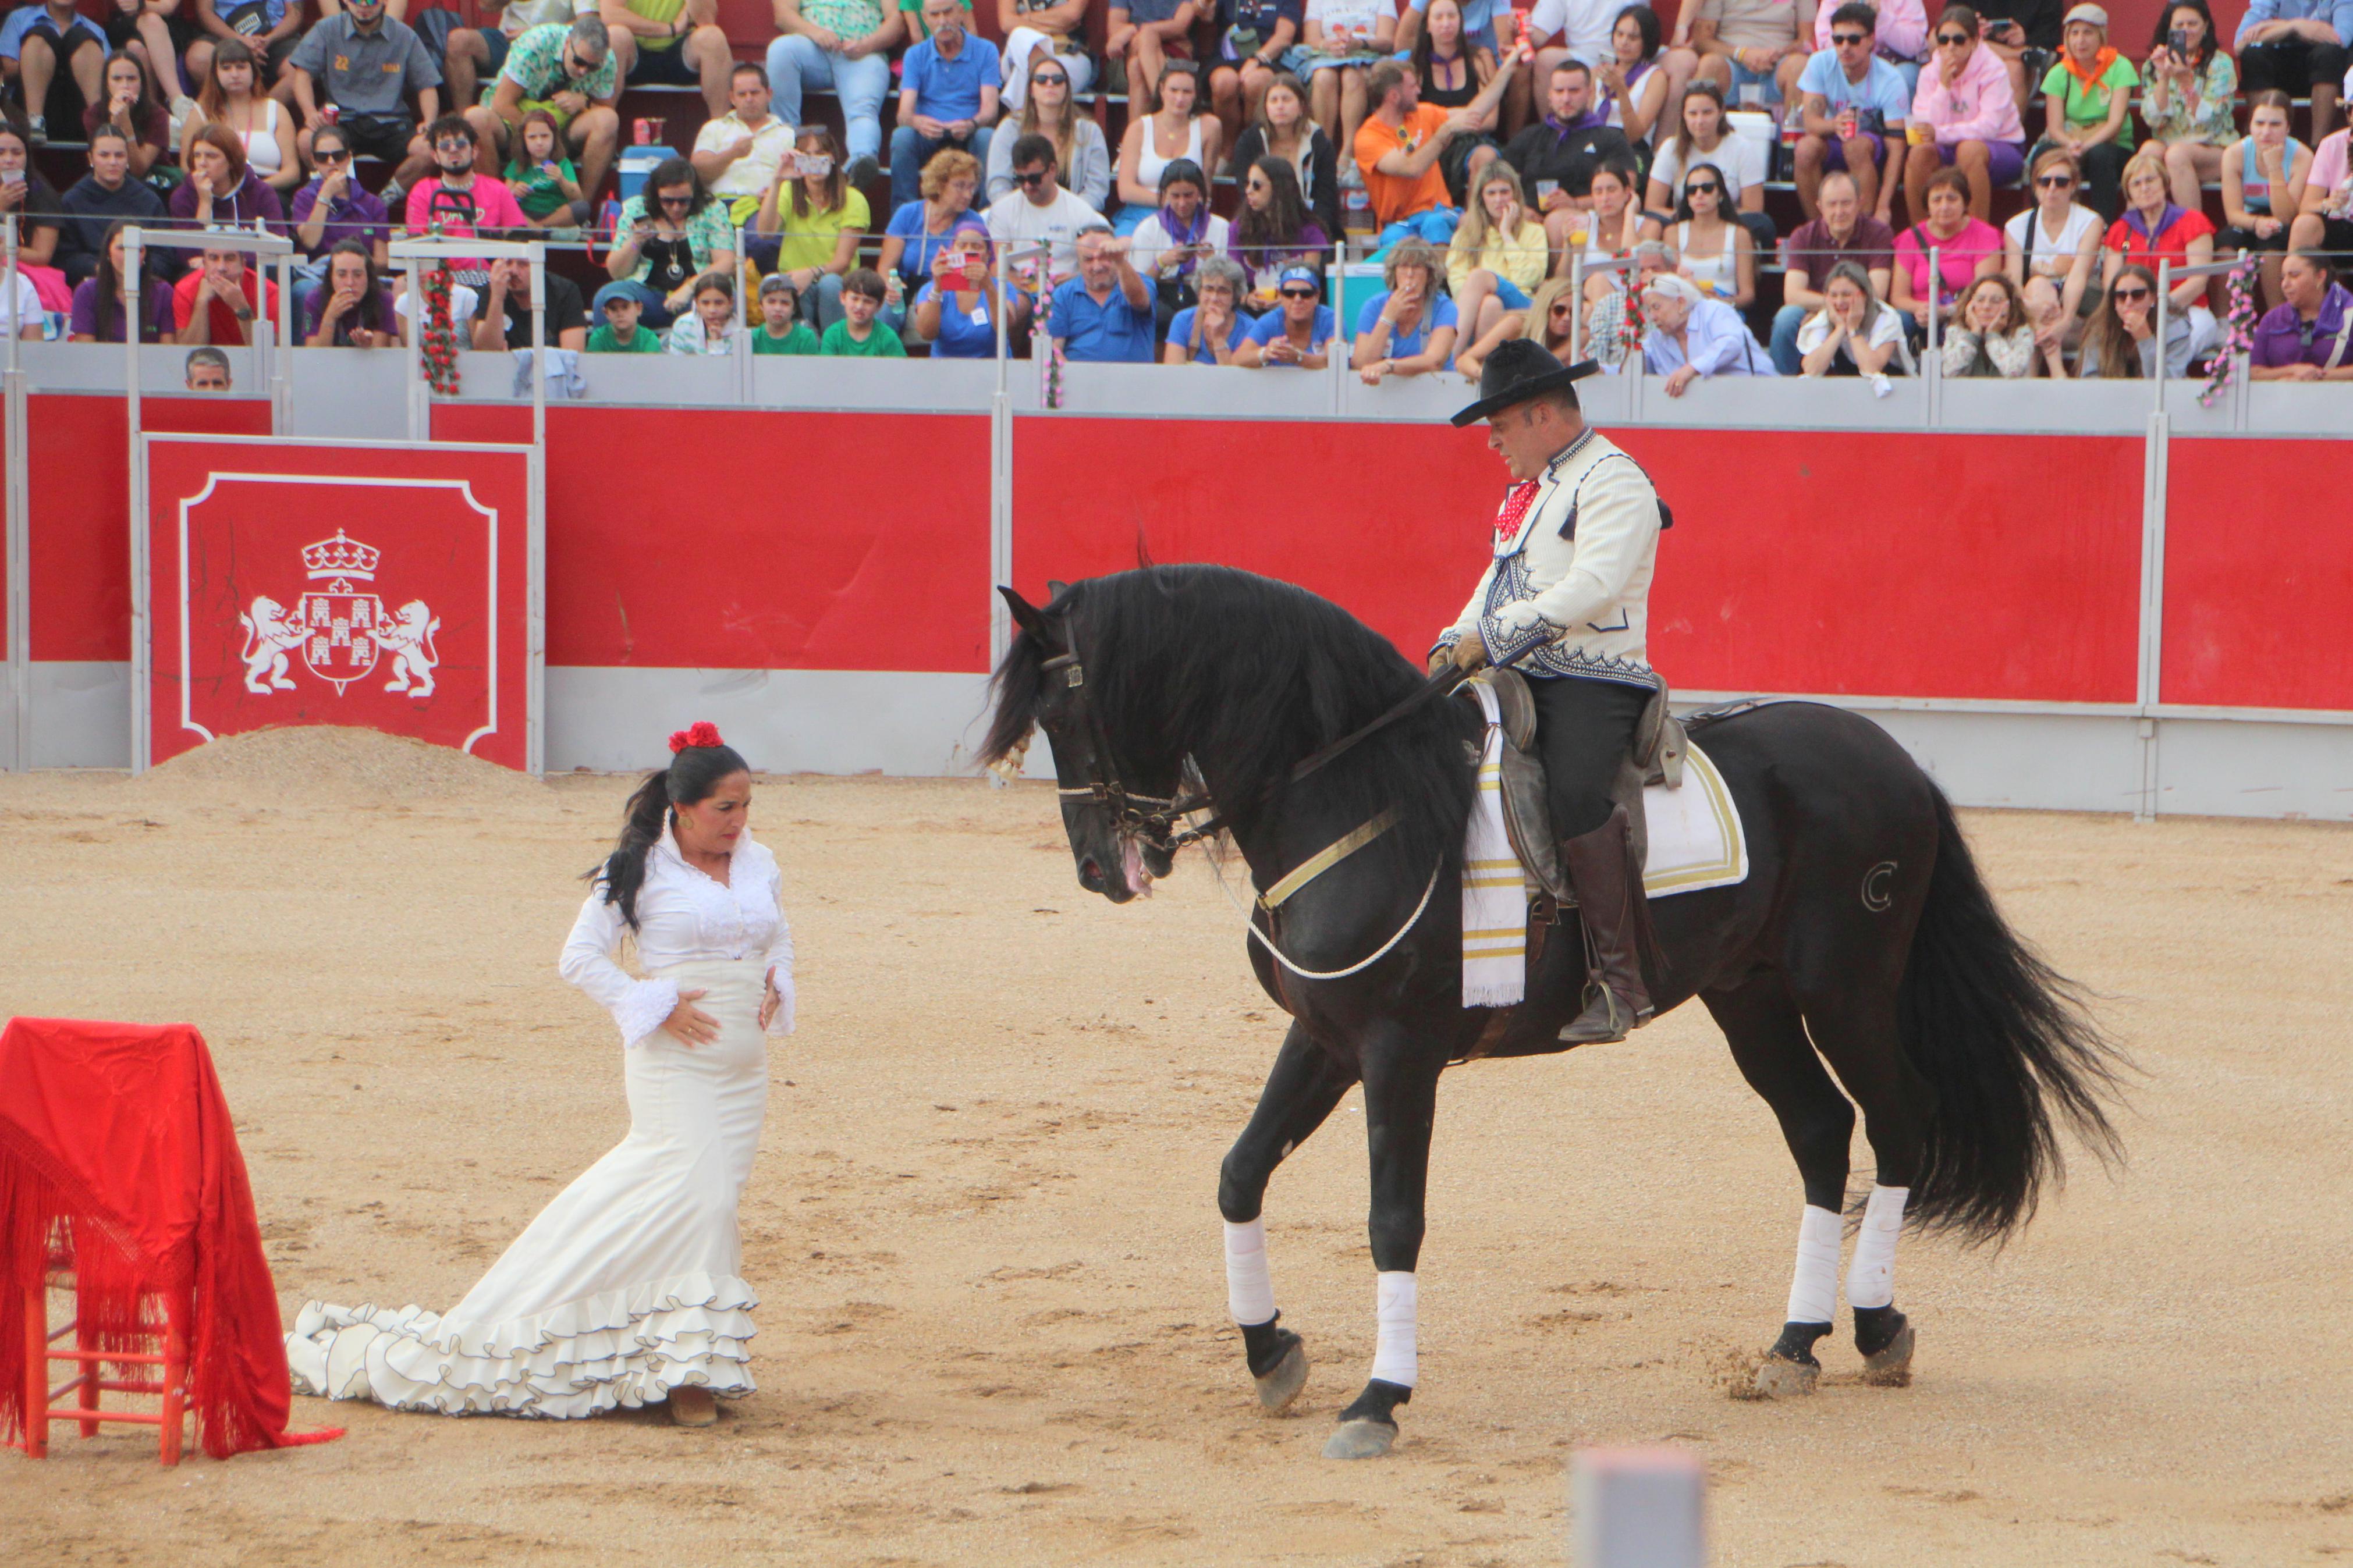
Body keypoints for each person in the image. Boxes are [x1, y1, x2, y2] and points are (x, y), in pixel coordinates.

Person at [285, 728, 793, 1428]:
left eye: (744, 806)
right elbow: (578, 959)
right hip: (674, 1064)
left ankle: (655, 1356)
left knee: (701, 1203)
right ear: (680, 806)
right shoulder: (639, 866)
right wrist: (654, 1001)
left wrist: (776, 978)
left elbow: (776, 932)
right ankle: (688, 1377)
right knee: (701, 1199)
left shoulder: (757, 859)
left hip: (743, 1070)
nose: (738, 822)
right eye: (723, 809)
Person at [1432, 342, 1661, 1044]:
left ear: (1538, 415)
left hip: (1594, 676)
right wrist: (1454, 639)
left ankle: (1623, 982)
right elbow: (1493, 580)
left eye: (1499, 425)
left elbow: (1592, 586)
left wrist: (1490, 637)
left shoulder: (1614, 478)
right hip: (1519, 671)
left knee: (1573, 791)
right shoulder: (1527, 493)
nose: (1493, 441)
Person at [470, 15, 624, 229]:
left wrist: (584, 102)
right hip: (515, 126)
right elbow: (502, 103)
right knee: (475, 118)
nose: (583, 71)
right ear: (569, 42)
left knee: (608, 120)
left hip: (562, 133)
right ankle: (493, 213)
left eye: (592, 67)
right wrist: (537, 134)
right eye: (579, 62)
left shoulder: (607, 60)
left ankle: (580, 213)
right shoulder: (536, 43)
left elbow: (606, 108)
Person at [1355, 50, 1520, 240]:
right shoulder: (1368, 137)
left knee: (1435, 224)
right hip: (1398, 223)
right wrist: (1444, 132)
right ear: (1394, 96)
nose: (1419, 90)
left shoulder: (1423, 113)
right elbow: (1412, 168)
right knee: (1392, 240)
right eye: (1412, 87)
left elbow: (1474, 113)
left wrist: (1506, 71)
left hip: (1438, 211)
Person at [288, 0, 441, 195]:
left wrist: (429, 120)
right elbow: (303, 75)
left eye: (372, 0)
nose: (364, 5)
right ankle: (336, 198)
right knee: (306, 140)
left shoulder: (404, 35)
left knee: (429, 149)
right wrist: (309, 113)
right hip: (341, 121)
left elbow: (427, 85)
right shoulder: (327, 29)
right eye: (356, 0)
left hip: (392, 123)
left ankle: (383, 200)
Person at [1792, 2, 1913, 225]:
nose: (1845, 47)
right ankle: (1820, 229)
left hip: (1870, 146)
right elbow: (1811, 123)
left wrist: (1884, 207)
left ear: (1870, 41)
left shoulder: (1891, 78)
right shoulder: (1820, 63)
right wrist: (1834, 125)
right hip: (1833, 138)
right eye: (1839, 40)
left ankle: (1863, 228)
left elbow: (1897, 148)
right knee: (1805, 148)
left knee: (1855, 146)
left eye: (1854, 40)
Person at [1903, 4, 2024, 224]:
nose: (1950, 47)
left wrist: (1938, 134)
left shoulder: (1993, 69)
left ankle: (1976, 240)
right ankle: (1922, 240)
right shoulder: (1930, 72)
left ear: (1975, 41)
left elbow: (1988, 127)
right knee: (1919, 153)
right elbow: (1922, 126)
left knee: (1969, 149)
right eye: (1944, 40)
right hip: (1948, 146)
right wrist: (1944, 87)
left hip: (2000, 145)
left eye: (1959, 40)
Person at [1502, 58, 1636, 254]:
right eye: (1559, 91)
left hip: (1582, 218)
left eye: (1574, 91)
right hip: (1529, 216)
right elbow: (1495, 181)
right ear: (1549, 95)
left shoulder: (1609, 138)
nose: (1566, 99)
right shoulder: (1529, 136)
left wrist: (1576, 203)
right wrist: (1520, 209)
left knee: (1558, 221)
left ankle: (1559, 284)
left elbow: (1629, 188)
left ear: (1589, 93)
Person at [1773, 168, 1895, 372]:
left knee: (1899, 319)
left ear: (1860, 203)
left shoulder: (1879, 233)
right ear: (1820, 207)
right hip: (1818, 310)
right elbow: (1792, 295)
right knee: (1787, 318)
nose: (1839, 212)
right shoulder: (1803, 236)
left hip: (1864, 311)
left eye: (1846, 203)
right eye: (1832, 204)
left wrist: (1840, 308)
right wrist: (1831, 307)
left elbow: (1877, 293)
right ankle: (1782, 387)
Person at [890, 0, 1000, 214]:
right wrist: (917, 122)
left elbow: (991, 111)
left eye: (948, 12)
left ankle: (989, 216)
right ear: (925, 19)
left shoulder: (986, 50)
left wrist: (972, 124)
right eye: (935, 15)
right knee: (902, 137)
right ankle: (905, 217)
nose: (943, 21)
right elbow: (903, 114)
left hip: (969, 132)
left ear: (961, 12)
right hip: (929, 134)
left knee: (987, 137)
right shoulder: (915, 55)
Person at [768, 0, 900, 175]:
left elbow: (896, 21)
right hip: (812, 49)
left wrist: (866, 45)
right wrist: (816, 33)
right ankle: (787, 149)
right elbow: (783, 15)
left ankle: (861, 162)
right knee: (781, 50)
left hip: (863, 54)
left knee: (863, 107)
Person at [757, 127, 869, 329]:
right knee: (787, 287)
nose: (814, 161)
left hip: (837, 283)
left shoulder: (854, 199)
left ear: (833, 158)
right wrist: (777, 180)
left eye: (820, 154)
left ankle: (834, 350)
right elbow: (765, 233)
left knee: (829, 284)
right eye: (807, 156)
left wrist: (811, 273)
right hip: (794, 281)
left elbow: (842, 262)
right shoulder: (788, 190)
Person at [2102, 145, 2214, 348]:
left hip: (2186, 310)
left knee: (2181, 341)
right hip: (2133, 311)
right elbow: (2111, 284)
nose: (2144, 188)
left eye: (2150, 180)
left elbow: (2198, 282)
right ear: (2129, 194)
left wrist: (2156, 307)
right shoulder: (2120, 230)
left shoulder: (2192, 222)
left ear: (2165, 183)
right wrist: (2137, 310)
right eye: (2136, 184)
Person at [604, 155, 737, 327]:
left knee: (724, 301)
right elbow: (616, 272)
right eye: (667, 201)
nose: (676, 207)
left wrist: (689, 289)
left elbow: (726, 262)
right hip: (647, 294)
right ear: (655, 195)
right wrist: (635, 241)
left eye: (684, 201)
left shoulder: (712, 209)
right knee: (607, 296)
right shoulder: (636, 208)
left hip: (699, 295)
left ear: (694, 195)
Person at [2035, 3, 2136, 216]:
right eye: (2075, 33)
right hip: (2071, 142)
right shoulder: (2058, 73)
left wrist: (2086, 146)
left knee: (2100, 156)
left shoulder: (2121, 67)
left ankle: (2104, 228)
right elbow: (2054, 127)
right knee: (2046, 155)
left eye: (2088, 33)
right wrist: (2070, 144)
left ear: (2101, 35)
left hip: (2112, 145)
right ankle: (2044, 223)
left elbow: (2115, 123)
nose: (2080, 40)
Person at [1645, 80, 1772, 247]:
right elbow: (1653, 206)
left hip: (1728, 223)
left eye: (1707, 113)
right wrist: (1692, 219)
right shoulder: (1670, 148)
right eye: (1693, 114)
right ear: (1683, 115)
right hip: (1683, 222)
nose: (1700, 121)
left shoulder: (1742, 148)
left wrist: (1712, 219)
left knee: (1761, 224)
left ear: (1720, 113)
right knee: (1649, 223)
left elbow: (1753, 209)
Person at [406, 114, 530, 280]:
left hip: (489, 279)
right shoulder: (423, 190)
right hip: (439, 280)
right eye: (444, 145)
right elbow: (417, 243)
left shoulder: (498, 190)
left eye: (461, 144)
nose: (453, 149)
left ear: (475, 151)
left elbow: (518, 241)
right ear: (435, 156)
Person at [2141, 0, 2238, 211]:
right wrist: (2164, 78)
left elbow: (2212, 122)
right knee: (2148, 152)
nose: (2186, 30)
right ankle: (2137, 235)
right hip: (2170, 145)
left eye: (2193, 24)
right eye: (2179, 25)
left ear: (2205, 27)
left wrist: (2186, 82)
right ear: (2169, 30)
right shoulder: (2153, 65)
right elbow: (2153, 120)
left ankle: (2194, 234)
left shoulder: (2220, 64)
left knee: (2177, 154)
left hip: (2214, 146)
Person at [438, 0, 599, 126]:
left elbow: (588, 24)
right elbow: (486, 5)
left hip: (554, 50)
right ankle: (464, 126)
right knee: (458, 41)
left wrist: (536, 32)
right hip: (508, 42)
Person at [985, 130, 1105, 298]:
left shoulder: (1080, 211)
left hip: (1067, 291)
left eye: (1034, 179)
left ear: (1053, 170)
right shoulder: (1003, 209)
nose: (1027, 186)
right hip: (1021, 291)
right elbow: (998, 264)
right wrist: (1014, 280)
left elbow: (1096, 264)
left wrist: (1076, 278)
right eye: (1020, 179)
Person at [2217, 93, 2309, 308]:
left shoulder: (2302, 156)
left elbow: (2286, 216)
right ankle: (2224, 321)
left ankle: (2277, 318)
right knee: (2225, 245)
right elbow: (2232, 214)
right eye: (2260, 123)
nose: (2266, 132)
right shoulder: (2234, 154)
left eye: (2275, 124)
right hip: (2249, 218)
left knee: (2270, 249)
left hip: (2282, 218)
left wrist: (2275, 168)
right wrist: (2256, 223)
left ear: (2288, 128)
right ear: (2250, 124)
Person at [985, 54, 1112, 208]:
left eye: (1058, 80)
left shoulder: (1089, 131)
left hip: (1073, 219)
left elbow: (1096, 190)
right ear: (1031, 89)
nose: (1050, 84)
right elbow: (998, 185)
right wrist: (1018, 214)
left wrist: (1071, 216)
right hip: (1019, 218)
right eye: (1041, 79)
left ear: (1067, 89)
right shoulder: (1010, 128)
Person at [2002, 144, 2103, 335]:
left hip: (2079, 308)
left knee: (2038, 295)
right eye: (2045, 182)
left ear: (2073, 186)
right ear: (2035, 185)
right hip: (2033, 307)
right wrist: (2032, 310)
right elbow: (2015, 279)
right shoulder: (2016, 226)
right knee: (2037, 287)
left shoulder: (2090, 222)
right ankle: (2056, 366)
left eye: (2062, 182)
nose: (2052, 188)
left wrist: (2065, 320)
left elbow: (2078, 276)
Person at [1231, 75, 1341, 247]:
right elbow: (1246, 191)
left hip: (1310, 226)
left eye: (1287, 99)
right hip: (1262, 225)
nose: (1280, 106)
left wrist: (1311, 232)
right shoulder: (1249, 142)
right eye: (1273, 100)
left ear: (1302, 107)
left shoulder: (1320, 143)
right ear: (1265, 108)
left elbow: (1326, 199)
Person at [1446, 160, 1547, 347]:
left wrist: (1507, 234)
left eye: (1504, 192)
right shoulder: (1466, 235)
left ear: (1515, 194)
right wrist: (1483, 297)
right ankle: (1479, 366)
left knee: (1479, 277)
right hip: (1478, 307)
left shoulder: (1534, 231)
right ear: (1481, 198)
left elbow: (1530, 279)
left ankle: (1452, 356)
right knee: (1490, 304)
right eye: (1491, 193)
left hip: (1523, 303)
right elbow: (1457, 283)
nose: (1498, 200)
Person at [1409, 0, 1503, 201]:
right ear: (1427, 25)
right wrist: (1452, 126)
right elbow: (1413, 120)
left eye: (1452, 16)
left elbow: (1491, 120)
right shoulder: (1416, 65)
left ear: (1461, 21)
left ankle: (1474, 222)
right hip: (1432, 141)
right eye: (1439, 17)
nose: (1446, 24)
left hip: (1474, 139)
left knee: (1485, 155)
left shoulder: (1481, 58)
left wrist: (1448, 126)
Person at [1112, 63, 1222, 235]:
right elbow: (1125, 190)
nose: (1180, 98)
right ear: (1162, 90)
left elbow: (1205, 188)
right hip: (1139, 214)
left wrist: (1181, 205)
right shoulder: (1139, 128)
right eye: (1174, 90)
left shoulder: (1210, 127)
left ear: (1195, 95)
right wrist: (1169, 201)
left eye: (1187, 92)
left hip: (1187, 215)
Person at [1890, 163, 2000, 332]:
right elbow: (1899, 297)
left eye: (1952, 199)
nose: (1944, 206)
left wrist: (1946, 311)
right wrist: (1924, 310)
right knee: (1897, 320)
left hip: (1966, 313)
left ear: (1965, 203)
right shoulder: (1909, 238)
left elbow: (1984, 292)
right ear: (1927, 206)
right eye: (1937, 200)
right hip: (1920, 315)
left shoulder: (1985, 235)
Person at [56, 125, 165, 287]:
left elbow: (164, 257)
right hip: (91, 282)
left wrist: (136, 267)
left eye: (119, 155)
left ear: (128, 158)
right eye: (104, 155)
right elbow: (65, 258)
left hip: (141, 281)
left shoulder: (149, 200)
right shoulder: (72, 200)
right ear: (91, 158)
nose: (113, 162)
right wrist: (100, 269)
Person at [186, 38, 298, 194]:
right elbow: (187, 168)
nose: (235, 74)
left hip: (266, 191)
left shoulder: (276, 110)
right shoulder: (200, 113)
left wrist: (256, 188)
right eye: (226, 68)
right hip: (216, 192)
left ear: (254, 71)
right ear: (215, 74)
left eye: (241, 67)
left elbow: (292, 172)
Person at [691, 63, 795, 226]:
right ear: (732, 98)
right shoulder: (715, 128)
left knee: (762, 239)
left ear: (769, 94)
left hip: (763, 206)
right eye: (742, 94)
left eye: (755, 93)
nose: (749, 99)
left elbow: (798, 179)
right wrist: (733, 154)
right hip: (718, 206)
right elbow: (698, 171)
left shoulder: (788, 134)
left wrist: (775, 193)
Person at [1131, 158, 1227, 332]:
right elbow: (1138, 287)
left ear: (1200, 193)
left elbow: (1230, 282)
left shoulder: (1220, 227)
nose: (1182, 203)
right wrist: (1163, 262)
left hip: (1205, 294)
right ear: (1165, 194)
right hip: (1163, 293)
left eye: (1189, 195)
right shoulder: (1149, 228)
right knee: (1161, 317)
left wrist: (1212, 262)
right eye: (1175, 196)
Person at [2233, 0, 2347, 144]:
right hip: (2283, 67)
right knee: (2253, 54)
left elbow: (2340, 38)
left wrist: (2276, 26)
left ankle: (2317, 146)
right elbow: (2240, 44)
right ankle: (2261, 143)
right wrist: (2294, 26)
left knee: (2329, 53)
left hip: (2328, 71)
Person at [1226, 153, 1329, 311]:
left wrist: (1285, 299)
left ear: (1279, 187)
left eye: (1257, 186)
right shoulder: (1238, 228)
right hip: (1250, 309)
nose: (1248, 191)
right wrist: (1247, 299)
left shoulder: (1310, 231)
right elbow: (1231, 282)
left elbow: (1308, 280)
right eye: (1247, 184)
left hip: (1296, 306)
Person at [602, 0, 735, 121]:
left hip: (680, 53)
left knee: (713, 37)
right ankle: (606, 127)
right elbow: (609, 14)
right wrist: (669, 29)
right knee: (615, 36)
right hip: (633, 53)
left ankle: (721, 131)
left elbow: (706, 20)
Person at [1, 0, 110, 144]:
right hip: (29, 104)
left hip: (78, 107)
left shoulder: (95, 30)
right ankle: (35, 123)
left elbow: (110, 75)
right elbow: (8, 68)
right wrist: (47, 61)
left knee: (83, 38)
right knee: (40, 35)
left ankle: (98, 126)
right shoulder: (19, 19)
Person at [1295, 0, 1400, 150]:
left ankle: (1349, 149)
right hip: (1327, 56)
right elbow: (1311, 40)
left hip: (1367, 55)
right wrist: (1329, 45)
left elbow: (1387, 41)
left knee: (1352, 76)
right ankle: (1324, 148)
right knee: (1323, 77)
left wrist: (1361, 43)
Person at [1641, 269, 1773, 387]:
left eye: (1656, 307)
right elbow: (1640, 359)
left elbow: (1732, 342)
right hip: (1698, 405)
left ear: (1681, 303)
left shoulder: (1713, 311)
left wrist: (1692, 368)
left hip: (1757, 391)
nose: (1652, 316)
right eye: (1649, 310)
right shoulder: (1656, 335)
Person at [1207, 0, 1305, 158]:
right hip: (1229, 56)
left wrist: (1257, 60)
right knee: (1224, 83)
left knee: (1256, 82)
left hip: (1270, 58)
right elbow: (1205, 14)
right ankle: (1227, 150)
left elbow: (1284, 37)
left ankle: (1251, 146)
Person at [1652, 158, 1756, 306]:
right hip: (1685, 308)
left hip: (1724, 309)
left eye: (1707, 188)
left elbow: (1748, 294)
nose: (1699, 195)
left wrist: (1724, 302)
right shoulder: (1673, 233)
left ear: (1720, 194)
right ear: (1687, 198)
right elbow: (1670, 283)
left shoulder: (1739, 235)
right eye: (1692, 191)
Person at [1353, 234, 1459, 379]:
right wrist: (1388, 317)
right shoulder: (1374, 306)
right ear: (1394, 272)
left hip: (1434, 389)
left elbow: (1435, 361)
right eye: (1404, 267)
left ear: (1429, 274)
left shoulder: (1444, 307)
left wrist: (1390, 366)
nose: (1410, 274)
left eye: (1417, 267)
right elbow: (1361, 363)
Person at [881, 147, 984, 295]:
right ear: (940, 184)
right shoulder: (907, 213)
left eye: (972, 187)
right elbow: (885, 268)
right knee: (885, 308)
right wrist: (891, 288)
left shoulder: (974, 222)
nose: (968, 195)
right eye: (960, 186)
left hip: (951, 294)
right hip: (906, 290)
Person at [1048, 225, 1155, 361]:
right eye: (1088, 259)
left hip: (1132, 380)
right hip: (1079, 379)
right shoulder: (1063, 294)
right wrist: (1074, 378)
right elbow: (1054, 349)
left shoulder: (1142, 282)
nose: (1097, 267)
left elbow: (1140, 301)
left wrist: (1120, 261)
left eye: (1105, 257)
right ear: (1079, 262)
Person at [1685, 0, 1812, 112]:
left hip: (1779, 63)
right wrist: (1742, 54)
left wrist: (1778, 53)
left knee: (1799, 66)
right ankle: (1698, 137)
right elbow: (1702, 40)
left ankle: (1792, 136)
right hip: (1731, 63)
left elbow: (1806, 38)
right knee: (1710, 64)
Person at [2077, 259, 2197, 374]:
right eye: (2121, 296)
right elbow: (2091, 378)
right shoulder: (2101, 328)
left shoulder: (2175, 331)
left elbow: (2168, 384)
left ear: (2152, 298)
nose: (2129, 302)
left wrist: (2145, 340)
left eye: (2138, 295)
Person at [1797, 257, 1914, 374]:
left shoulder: (1886, 318)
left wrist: (1853, 329)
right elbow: (1811, 369)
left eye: (1846, 295)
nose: (1839, 302)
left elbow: (1871, 369)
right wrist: (1840, 329)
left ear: (1864, 295)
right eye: (1833, 295)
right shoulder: (1825, 318)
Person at [2249, 248, 2353, 378]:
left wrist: (2318, 376)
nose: (2285, 284)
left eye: (2295, 275)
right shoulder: (2272, 319)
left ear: (2320, 276)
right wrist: (2292, 371)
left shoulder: (2349, 314)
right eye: (2283, 277)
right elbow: (2254, 372)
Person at [1453, 271, 1577, 378]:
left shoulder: (1579, 335)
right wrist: (1485, 376)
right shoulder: (1517, 324)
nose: (1567, 318)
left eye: (1574, 312)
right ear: (1545, 308)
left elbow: (1546, 362)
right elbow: (1464, 360)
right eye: (1559, 310)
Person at [69, 220, 176, 342]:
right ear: (108, 252)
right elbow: (86, 351)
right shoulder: (87, 292)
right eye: (121, 248)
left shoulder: (163, 292)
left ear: (146, 255)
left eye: (138, 250)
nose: (130, 255)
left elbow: (168, 349)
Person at [171, 122, 286, 231]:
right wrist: (205, 204)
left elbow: (279, 242)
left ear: (231, 161)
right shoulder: (183, 197)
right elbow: (188, 250)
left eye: (212, 156)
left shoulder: (262, 193)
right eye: (197, 156)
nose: (202, 163)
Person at [910, 221, 1000, 355]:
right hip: (945, 369)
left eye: (976, 246)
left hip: (990, 369)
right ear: (951, 251)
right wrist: (938, 287)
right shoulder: (930, 288)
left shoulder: (1002, 286)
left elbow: (1005, 328)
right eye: (962, 246)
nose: (969, 250)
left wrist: (988, 287)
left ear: (988, 255)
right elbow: (926, 333)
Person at [1939, 269, 2050, 373]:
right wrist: (1973, 335)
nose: (1986, 306)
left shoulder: (2022, 333)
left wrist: (1993, 335)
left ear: (2009, 305)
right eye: (1980, 300)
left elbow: (2014, 370)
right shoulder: (1956, 331)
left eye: (1996, 301)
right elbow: (1949, 370)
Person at [996, 0, 1094, 117]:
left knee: (1024, 74)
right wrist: (1047, 30)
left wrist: (1025, 19)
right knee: (1019, 34)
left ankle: (1021, 120)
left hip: (1069, 57)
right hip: (1018, 57)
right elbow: (1007, 22)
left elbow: (1072, 14)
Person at [470, 254, 590, 349]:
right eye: (508, 263)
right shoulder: (493, 290)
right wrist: (497, 298)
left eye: (523, 264)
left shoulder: (565, 291)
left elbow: (573, 353)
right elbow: (485, 351)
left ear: (539, 266)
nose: (513, 271)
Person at [81, 49, 169, 177]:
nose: (125, 86)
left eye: (132, 79)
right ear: (107, 84)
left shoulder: (158, 115)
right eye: (117, 79)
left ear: (141, 83)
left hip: (152, 178)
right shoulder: (93, 114)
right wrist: (114, 124)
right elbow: (106, 163)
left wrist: (125, 122)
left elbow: (138, 170)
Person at [173, 242, 281, 346]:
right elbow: (187, 353)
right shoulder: (185, 289)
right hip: (206, 362)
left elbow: (270, 354)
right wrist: (201, 302)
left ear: (243, 264)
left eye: (230, 259)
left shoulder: (268, 292)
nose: (221, 268)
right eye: (214, 258)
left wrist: (241, 307)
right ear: (205, 264)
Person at [1589, 5, 1668, 143]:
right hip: (1596, 144)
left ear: (1647, 41)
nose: (1624, 42)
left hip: (1632, 149)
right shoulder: (1597, 73)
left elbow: (1635, 136)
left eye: (1633, 38)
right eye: (1620, 34)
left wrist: (1621, 91)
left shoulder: (1655, 77)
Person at [301, 239, 397, 346]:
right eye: (342, 275)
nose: (350, 282)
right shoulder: (314, 299)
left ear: (368, 276)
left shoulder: (384, 299)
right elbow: (314, 357)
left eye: (358, 275)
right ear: (331, 277)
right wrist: (330, 316)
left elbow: (381, 355)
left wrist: (368, 347)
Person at [1108, 0, 1198, 113]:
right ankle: (1165, 104)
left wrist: (1134, 30)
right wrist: (1145, 33)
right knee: (1144, 41)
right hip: (1128, 62)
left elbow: (1180, 26)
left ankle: (1140, 128)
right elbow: (1115, 28)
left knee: (1137, 66)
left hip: (1175, 59)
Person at [1236, 262, 1336, 364]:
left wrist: (1298, 358)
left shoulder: (1330, 319)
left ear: (1317, 296)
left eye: (1306, 294)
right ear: (1281, 296)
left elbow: (1336, 362)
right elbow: (1238, 359)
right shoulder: (1271, 320)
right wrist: (1265, 353)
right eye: (1289, 294)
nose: (1297, 299)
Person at [1163, 251, 1255, 362]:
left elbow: (1233, 378)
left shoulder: (1249, 329)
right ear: (1199, 292)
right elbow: (1173, 373)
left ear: (1234, 297)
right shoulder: (1183, 320)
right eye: (1208, 289)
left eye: (1223, 291)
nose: (1214, 298)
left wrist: (1218, 338)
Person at [101, 0, 197, 104]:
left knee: (137, 47)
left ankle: (162, 104)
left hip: (166, 24)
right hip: (122, 23)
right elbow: (127, 7)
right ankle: (175, 98)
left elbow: (168, 7)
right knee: (151, 21)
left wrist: (141, 4)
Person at [502, 108, 586, 227]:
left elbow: (577, 197)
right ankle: (541, 231)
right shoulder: (517, 164)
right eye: (532, 137)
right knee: (508, 212)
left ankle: (539, 228)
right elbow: (505, 198)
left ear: (554, 137)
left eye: (545, 136)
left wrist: (561, 180)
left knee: (582, 208)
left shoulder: (563, 163)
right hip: (526, 213)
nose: (539, 142)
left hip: (555, 214)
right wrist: (515, 192)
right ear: (523, 140)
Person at [2287, 122, 2353, 257]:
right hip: (2342, 224)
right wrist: (2328, 203)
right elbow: (2307, 206)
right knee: (2305, 224)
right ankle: (2295, 275)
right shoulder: (2331, 144)